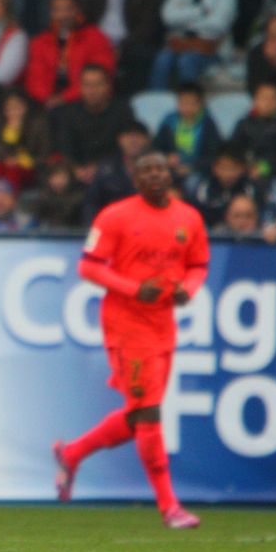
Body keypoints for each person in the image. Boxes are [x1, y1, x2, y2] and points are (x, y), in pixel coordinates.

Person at [54, 150, 208, 530]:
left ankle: (72, 454)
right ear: (136, 180)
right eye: (146, 171)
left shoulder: (189, 218)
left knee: (141, 412)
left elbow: (198, 264)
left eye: (160, 169)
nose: (154, 175)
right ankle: (170, 507)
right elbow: (88, 266)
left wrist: (188, 289)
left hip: (163, 324)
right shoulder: (116, 216)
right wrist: (134, 288)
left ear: (169, 175)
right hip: (126, 323)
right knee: (149, 414)